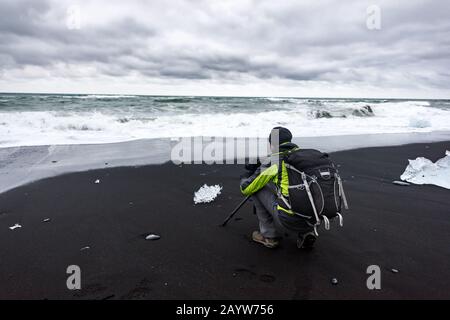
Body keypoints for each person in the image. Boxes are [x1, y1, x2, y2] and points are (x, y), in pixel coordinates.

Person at [240, 127, 317, 249]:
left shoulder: (274, 162)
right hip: (313, 217)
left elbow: (246, 188)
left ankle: (269, 236)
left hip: (289, 219)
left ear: (272, 144)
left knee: (257, 188)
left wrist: (246, 176)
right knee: (295, 188)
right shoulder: (306, 157)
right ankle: (307, 232)